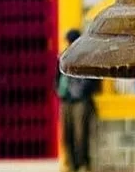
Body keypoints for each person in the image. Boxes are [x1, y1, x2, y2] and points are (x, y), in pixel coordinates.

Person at [55, 30, 100, 172]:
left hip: (80, 100)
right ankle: (70, 164)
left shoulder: (86, 58)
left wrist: (81, 91)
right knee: (66, 134)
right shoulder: (63, 57)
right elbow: (57, 78)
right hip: (66, 100)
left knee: (81, 135)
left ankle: (83, 164)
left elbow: (93, 81)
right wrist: (59, 90)